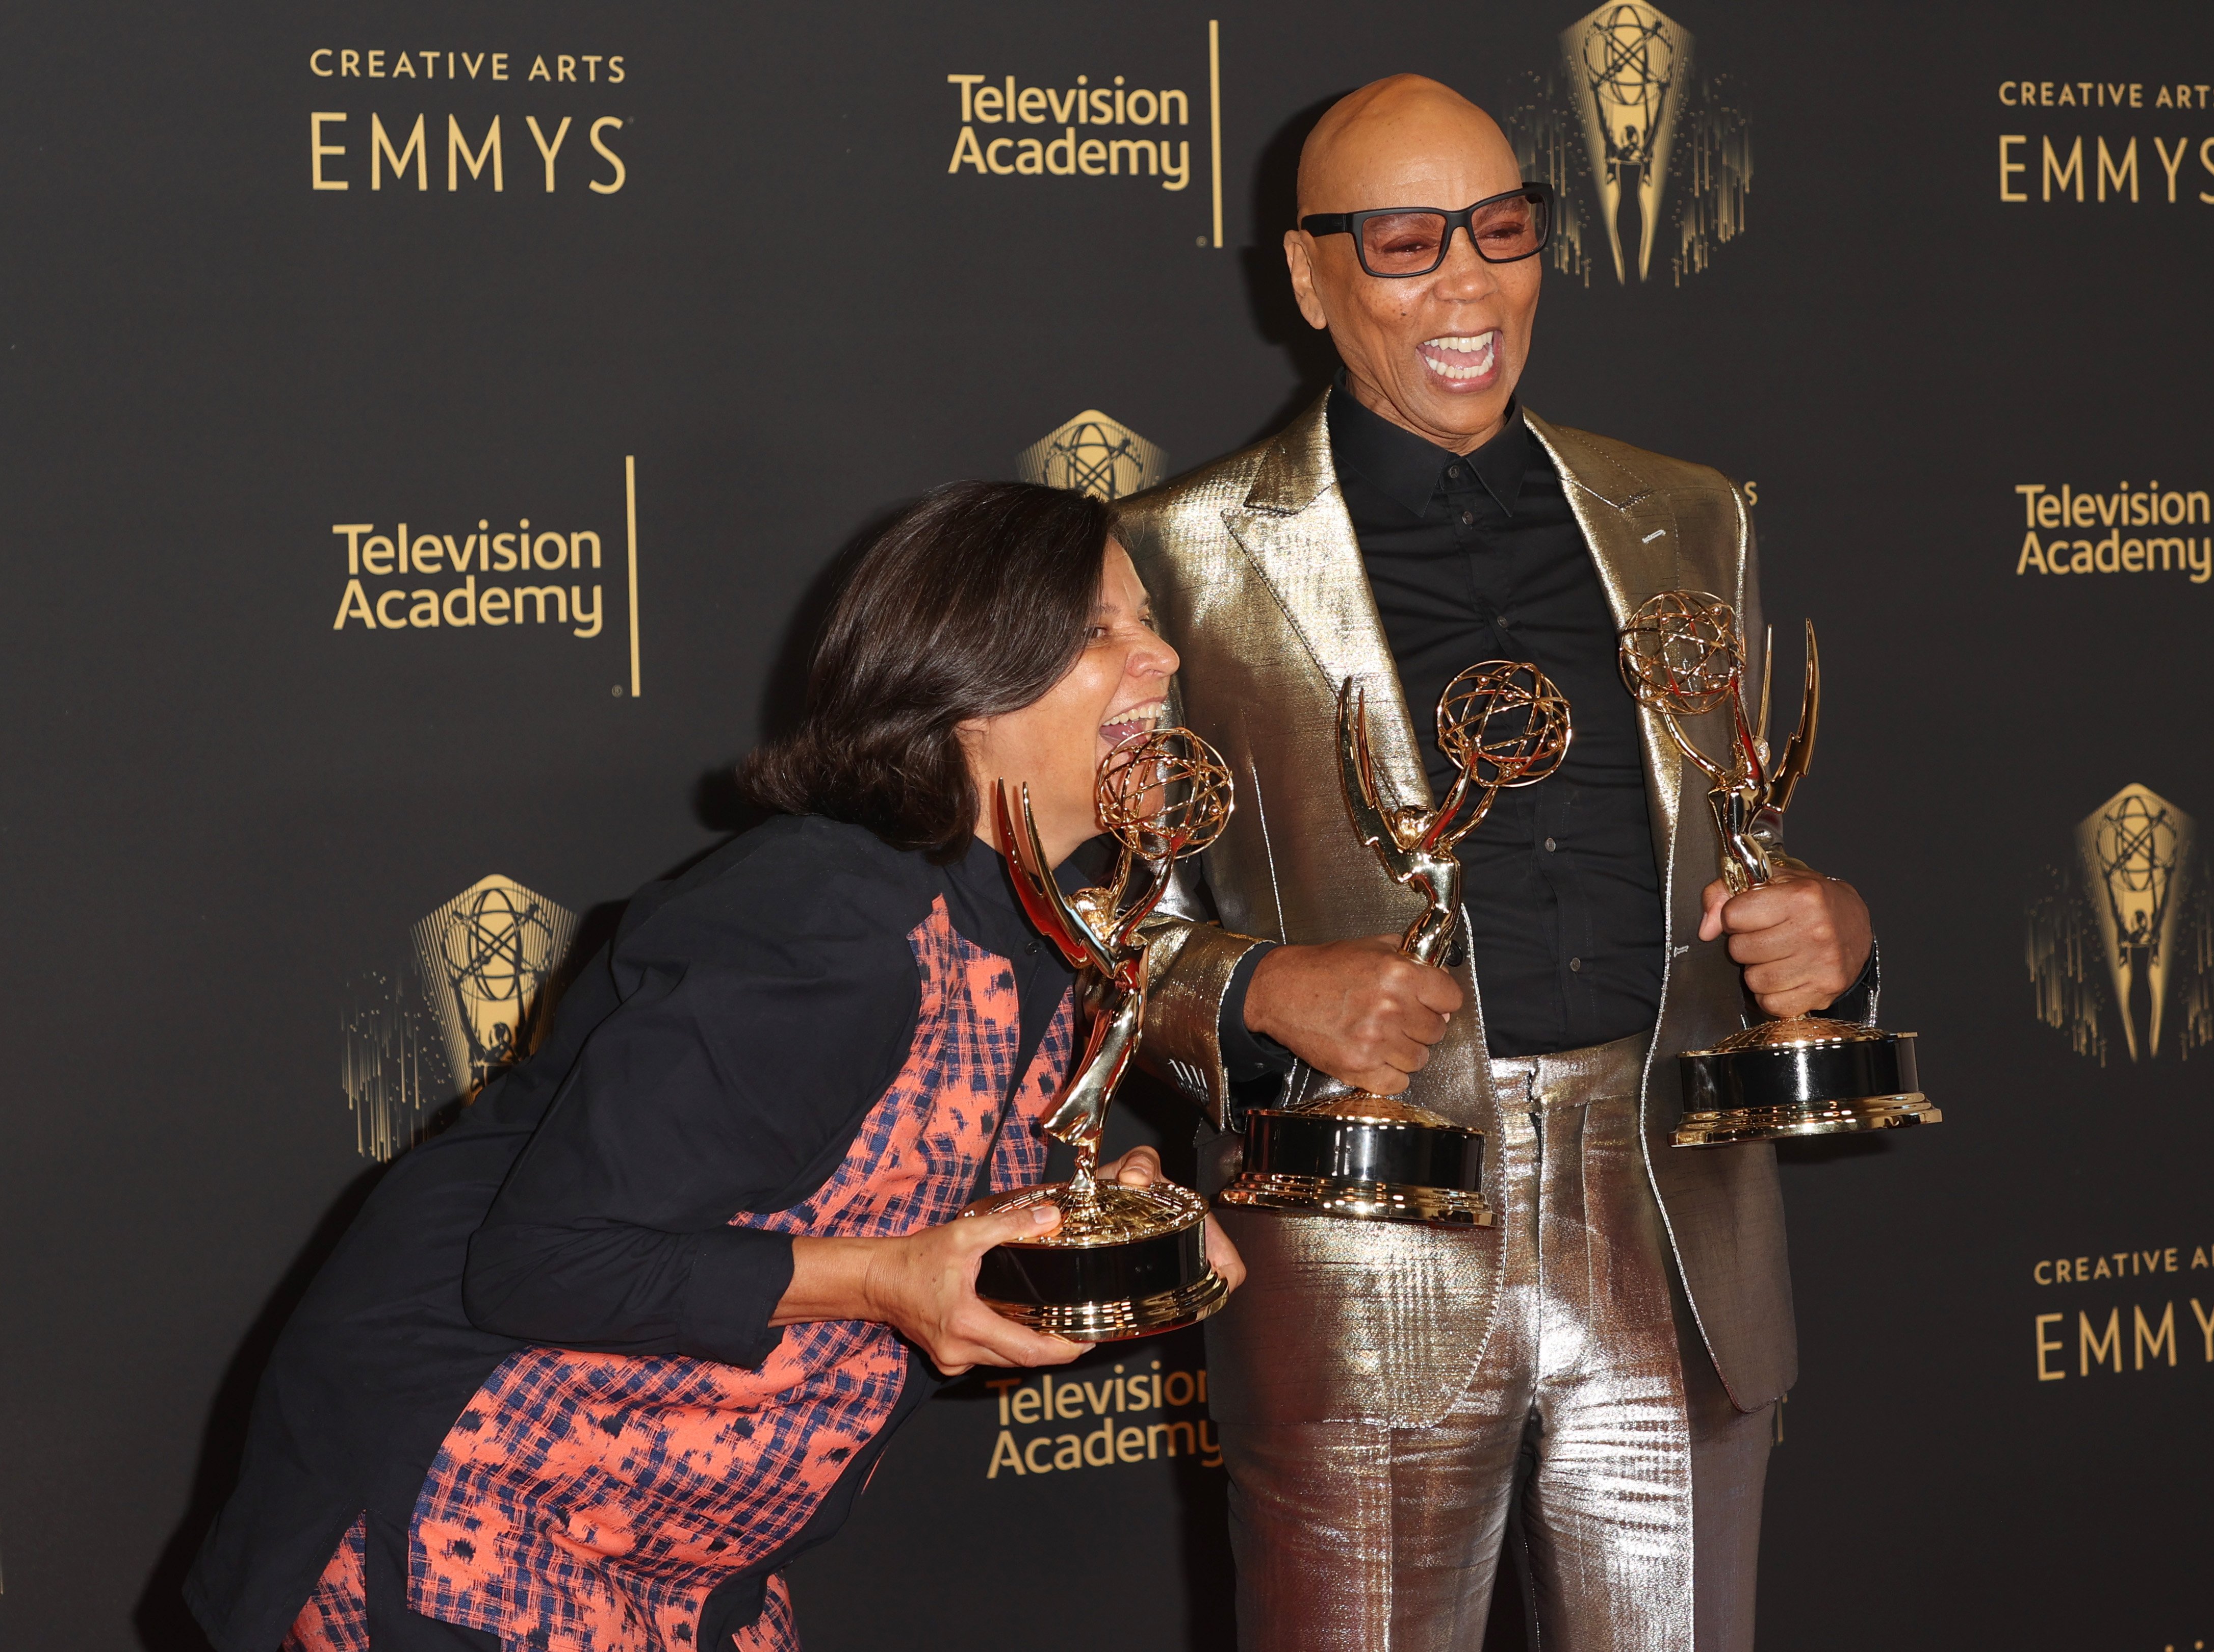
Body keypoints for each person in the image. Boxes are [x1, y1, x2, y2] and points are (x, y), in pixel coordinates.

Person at [185, 480, 1242, 1652]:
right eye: (1101, 630)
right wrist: (891, 1281)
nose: (1163, 652)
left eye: (1144, 618)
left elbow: (892, 1181)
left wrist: (1090, 1213)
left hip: (683, 1539)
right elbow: (542, 1262)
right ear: (965, 695)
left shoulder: (1055, 925)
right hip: (472, 1491)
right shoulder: (822, 922)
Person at [1115, 76, 1878, 1651]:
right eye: (1403, 242)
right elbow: (1100, 933)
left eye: (1503, 230)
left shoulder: (1686, 515)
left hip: (1673, 1226)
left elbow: (1735, 833)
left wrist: (1827, 930)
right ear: (1309, 278)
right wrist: (1265, 990)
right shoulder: (1169, 558)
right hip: (1359, 1243)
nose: (1466, 281)